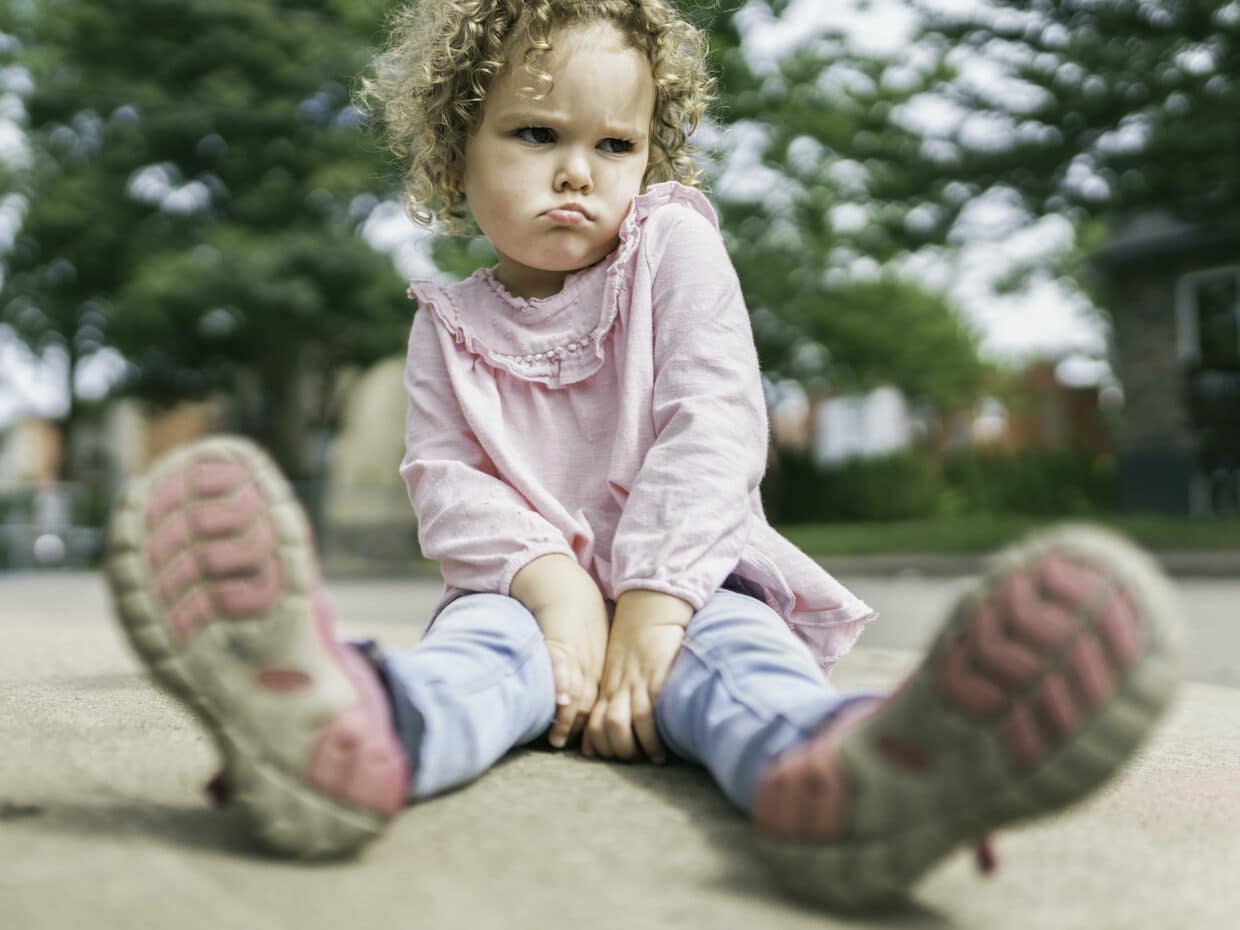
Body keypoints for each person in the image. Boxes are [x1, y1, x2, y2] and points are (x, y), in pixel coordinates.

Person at [104, 0, 1182, 910]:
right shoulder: (445, 321)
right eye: (535, 135)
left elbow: (711, 424)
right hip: (531, 608)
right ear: (452, 152)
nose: (579, 171)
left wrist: (654, 604)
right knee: (475, 662)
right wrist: (558, 594)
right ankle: (349, 734)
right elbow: (448, 482)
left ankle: (859, 778)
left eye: (613, 145)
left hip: (694, 584)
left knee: (746, 677)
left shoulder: (671, 245)